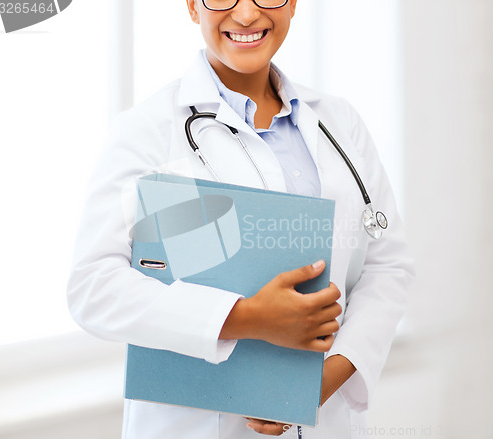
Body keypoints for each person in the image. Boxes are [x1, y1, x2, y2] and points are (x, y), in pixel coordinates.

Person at [67, 0, 414, 438]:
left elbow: (389, 267)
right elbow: (93, 287)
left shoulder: (339, 120)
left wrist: (325, 379)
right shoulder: (147, 131)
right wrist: (247, 317)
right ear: (193, 7)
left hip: (327, 420)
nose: (247, 14)